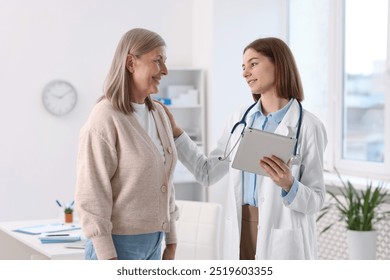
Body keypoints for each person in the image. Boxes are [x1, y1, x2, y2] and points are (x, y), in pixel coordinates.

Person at [163, 37, 327, 259]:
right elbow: (207, 173)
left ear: (278, 63)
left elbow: (316, 200)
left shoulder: (308, 126)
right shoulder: (240, 119)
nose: (245, 72)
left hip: (282, 235)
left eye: (253, 63)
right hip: (241, 227)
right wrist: (176, 132)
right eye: (243, 66)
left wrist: (289, 184)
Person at [75, 28, 178, 260]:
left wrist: (171, 240)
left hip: (156, 243)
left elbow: (166, 184)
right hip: (116, 247)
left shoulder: (159, 113)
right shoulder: (105, 117)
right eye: (158, 60)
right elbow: (91, 193)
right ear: (131, 63)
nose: (165, 70)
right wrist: (107, 257)